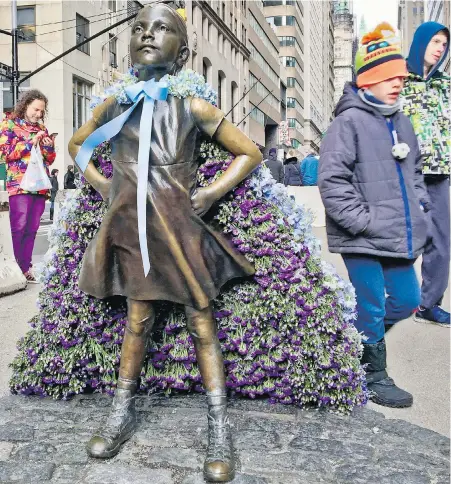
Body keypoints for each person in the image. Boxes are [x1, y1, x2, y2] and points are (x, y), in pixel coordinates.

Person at [68, 4, 261, 483]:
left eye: (162, 29)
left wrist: (210, 193)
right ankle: (121, 411)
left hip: (178, 230)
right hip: (133, 231)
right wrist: (101, 184)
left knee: (201, 323)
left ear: (184, 50)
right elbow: (77, 144)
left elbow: (249, 152)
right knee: (137, 322)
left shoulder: (192, 105)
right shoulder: (116, 104)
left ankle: (218, 426)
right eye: (139, 29)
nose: (147, 35)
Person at [319, 23, 430, 408]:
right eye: (387, 77)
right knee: (372, 304)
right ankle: (373, 373)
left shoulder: (401, 121)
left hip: (396, 233)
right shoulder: (347, 122)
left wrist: (420, 207)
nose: (397, 82)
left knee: (407, 300)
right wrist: (362, 221)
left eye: (400, 75)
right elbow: (332, 181)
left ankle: (355, 343)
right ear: (367, 80)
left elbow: (414, 173)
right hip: (362, 235)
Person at [402, 22, 450, 327]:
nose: (439, 48)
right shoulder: (398, 81)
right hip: (405, 172)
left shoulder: (446, 85)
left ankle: (429, 304)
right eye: (434, 41)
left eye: (444, 44)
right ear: (420, 42)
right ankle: (387, 300)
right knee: (399, 239)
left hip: (440, 173)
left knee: (442, 242)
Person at [0, 90, 56, 283]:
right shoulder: (9, 124)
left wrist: (48, 146)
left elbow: (49, 160)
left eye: (41, 111)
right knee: (19, 227)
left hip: (39, 186)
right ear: (25, 105)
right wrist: (29, 143)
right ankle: (15, 268)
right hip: (19, 184)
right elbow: (4, 153)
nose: (38, 114)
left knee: (32, 229)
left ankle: (25, 268)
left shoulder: (42, 127)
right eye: (35, 109)